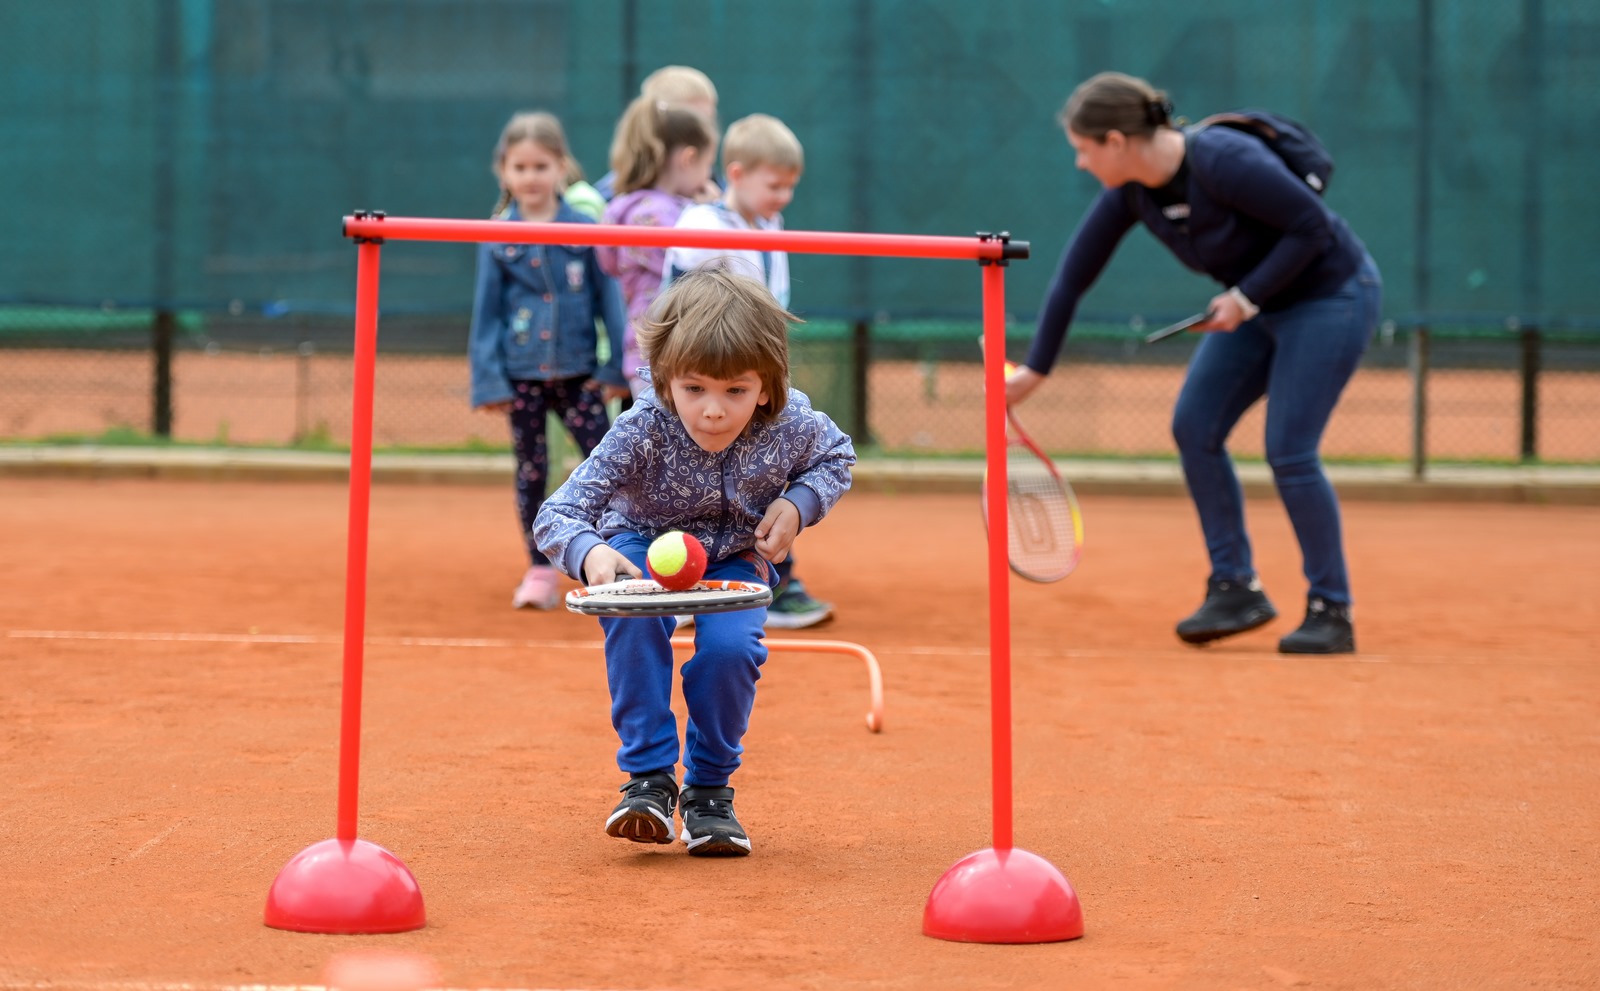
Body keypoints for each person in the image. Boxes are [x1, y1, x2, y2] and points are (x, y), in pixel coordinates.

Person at [1007, 72, 1382, 654]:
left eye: (1083, 150)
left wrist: (1246, 296)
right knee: (1195, 426)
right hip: (1257, 305)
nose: (1081, 163)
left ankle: (1332, 609)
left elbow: (1312, 226)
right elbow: (1071, 279)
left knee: (1290, 449)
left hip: (1331, 295)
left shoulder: (1224, 160)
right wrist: (1036, 369)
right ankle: (1235, 587)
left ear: (1115, 141)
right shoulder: (1133, 191)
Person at [533, 269, 856, 856]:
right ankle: (649, 782)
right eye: (694, 388)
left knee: (732, 651)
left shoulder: (792, 423)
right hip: (641, 544)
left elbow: (837, 456)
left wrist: (799, 503)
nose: (712, 410)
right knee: (632, 623)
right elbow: (559, 512)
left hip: (736, 555)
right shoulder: (642, 426)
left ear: (767, 387)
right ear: (664, 382)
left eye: (735, 391)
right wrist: (591, 551)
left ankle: (709, 792)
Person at [661, 113, 833, 629]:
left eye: (790, 187)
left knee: (767, 473)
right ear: (736, 174)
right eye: (774, 185)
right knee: (681, 479)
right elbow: (681, 298)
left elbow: (772, 299)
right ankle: (679, 584)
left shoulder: (768, 223)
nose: (784, 196)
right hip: (701, 376)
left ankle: (774, 580)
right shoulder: (702, 224)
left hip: (753, 374)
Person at [469, 111, 631, 610]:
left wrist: (615, 367)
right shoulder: (498, 236)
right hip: (522, 377)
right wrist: (488, 379)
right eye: (520, 167)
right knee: (531, 470)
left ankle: (615, 553)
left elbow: (610, 300)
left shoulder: (585, 228)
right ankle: (539, 567)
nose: (531, 177)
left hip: (580, 375)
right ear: (503, 171)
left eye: (541, 166)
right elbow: (486, 311)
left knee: (607, 463)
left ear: (561, 167)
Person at [596, 95, 719, 397]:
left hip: (657, 349)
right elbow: (700, 264)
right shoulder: (657, 215)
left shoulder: (632, 207)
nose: (708, 177)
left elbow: (609, 262)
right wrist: (713, 212)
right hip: (666, 351)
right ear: (688, 158)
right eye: (708, 165)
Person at [595, 65, 721, 203]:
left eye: (709, 122)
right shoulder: (612, 195)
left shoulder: (714, 185)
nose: (704, 131)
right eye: (691, 122)